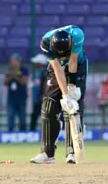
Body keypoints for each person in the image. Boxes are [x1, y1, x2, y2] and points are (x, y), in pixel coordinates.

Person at [30, 25, 87, 165]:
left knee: (73, 107)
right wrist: (65, 96)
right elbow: (58, 69)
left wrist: (71, 87)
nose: (63, 58)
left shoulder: (77, 35)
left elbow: (72, 62)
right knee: (48, 105)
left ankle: (72, 152)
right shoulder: (46, 42)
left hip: (78, 66)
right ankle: (47, 153)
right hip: (56, 69)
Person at [5, 54, 29, 131]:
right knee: (10, 116)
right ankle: (10, 132)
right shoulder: (9, 69)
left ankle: (23, 132)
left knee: (22, 117)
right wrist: (11, 75)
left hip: (21, 97)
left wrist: (16, 74)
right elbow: (5, 82)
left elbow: (24, 82)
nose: (12, 63)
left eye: (13, 61)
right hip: (11, 98)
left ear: (18, 61)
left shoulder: (24, 70)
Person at [29, 54, 48, 131]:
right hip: (37, 99)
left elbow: (46, 85)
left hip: (42, 98)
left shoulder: (45, 72)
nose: (35, 64)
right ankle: (32, 131)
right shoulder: (37, 72)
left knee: (45, 116)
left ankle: (47, 132)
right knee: (34, 116)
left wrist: (44, 95)